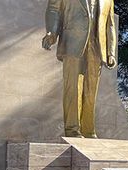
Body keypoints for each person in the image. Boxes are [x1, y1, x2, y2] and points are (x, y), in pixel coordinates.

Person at [43, 0, 117, 138]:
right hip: (72, 42)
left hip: (96, 48)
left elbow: (110, 24)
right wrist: (51, 32)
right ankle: (72, 129)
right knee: (72, 87)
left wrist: (111, 52)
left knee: (91, 91)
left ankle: (89, 130)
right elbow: (54, 9)